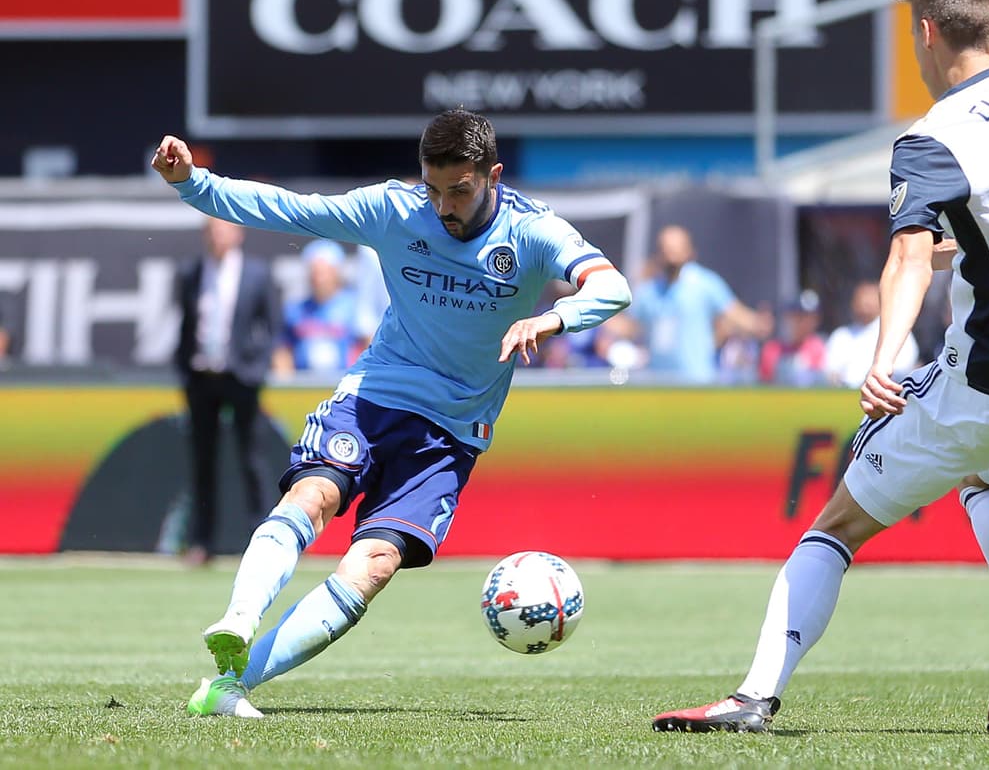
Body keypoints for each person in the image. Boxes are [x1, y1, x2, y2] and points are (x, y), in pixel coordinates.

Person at [653, 0, 989, 736]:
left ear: (923, 33)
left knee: (835, 527)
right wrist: (966, 248)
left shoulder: (932, 137)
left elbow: (910, 253)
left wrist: (882, 360)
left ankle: (753, 697)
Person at [151, 108, 631, 718]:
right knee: (314, 496)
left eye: (459, 190)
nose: (444, 206)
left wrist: (551, 317)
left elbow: (612, 286)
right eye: (434, 189)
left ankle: (230, 686)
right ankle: (239, 618)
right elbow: (291, 208)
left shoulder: (534, 231)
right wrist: (194, 184)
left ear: (493, 176)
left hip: (452, 432)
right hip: (374, 396)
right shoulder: (394, 209)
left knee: (375, 563)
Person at [173, 217, 281, 566]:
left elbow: (271, 325)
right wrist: (183, 367)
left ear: (238, 233)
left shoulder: (256, 273)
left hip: (242, 377)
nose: (217, 237)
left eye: (223, 230)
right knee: (204, 461)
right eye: (211, 231)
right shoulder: (191, 272)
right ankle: (202, 542)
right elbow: (186, 324)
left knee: (252, 458)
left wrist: (258, 366)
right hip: (201, 376)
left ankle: (262, 540)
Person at [628, 225, 772, 384]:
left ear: (688, 251)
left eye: (675, 249)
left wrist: (757, 324)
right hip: (658, 381)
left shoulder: (705, 283)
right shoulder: (648, 291)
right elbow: (630, 328)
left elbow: (736, 314)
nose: (671, 255)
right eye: (666, 249)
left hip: (696, 381)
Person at [273, 239, 361, 377]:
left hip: (344, 384)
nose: (319, 278)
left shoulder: (355, 308)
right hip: (303, 387)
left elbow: (364, 346)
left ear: (336, 272)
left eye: (324, 272)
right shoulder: (295, 310)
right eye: (315, 271)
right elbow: (283, 349)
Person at [823, 279, 920, 388]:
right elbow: (830, 371)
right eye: (861, 298)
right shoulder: (841, 335)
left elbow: (904, 367)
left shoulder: (897, 331)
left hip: (884, 393)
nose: (865, 303)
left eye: (870, 298)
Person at [758, 290, 827, 386]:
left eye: (811, 317)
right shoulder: (771, 349)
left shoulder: (819, 347)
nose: (806, 322)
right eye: (799, 316)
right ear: (788, 316)